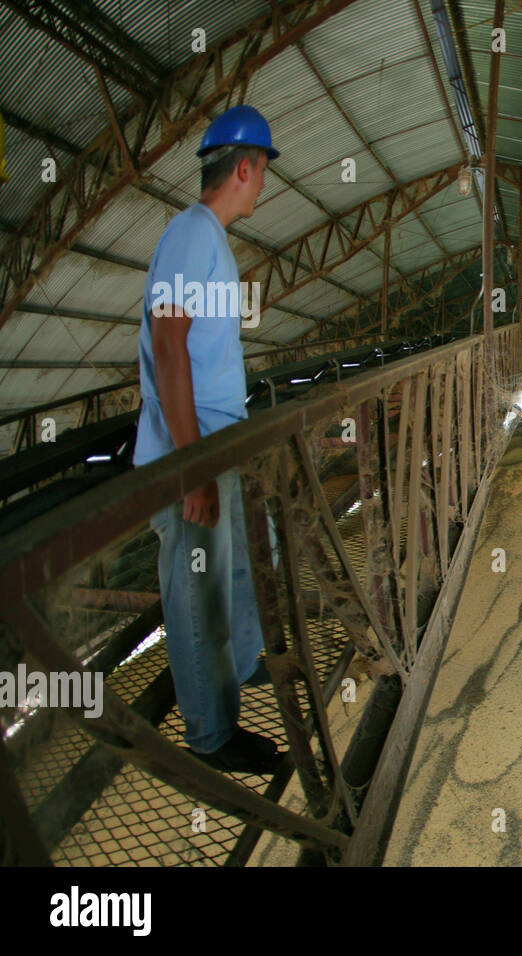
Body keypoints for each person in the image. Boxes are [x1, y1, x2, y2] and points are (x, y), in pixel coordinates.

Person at [134, 105, 282, 775]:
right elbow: (169, 344)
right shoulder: (193, 235)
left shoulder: (208, 239)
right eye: (262, 174)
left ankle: (244, 669)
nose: (263, 189)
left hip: (214, 447)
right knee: (196, 597)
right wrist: (192, 467)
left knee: (225, 577)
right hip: (191, 456)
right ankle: (211, 737)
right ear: (244, 169)